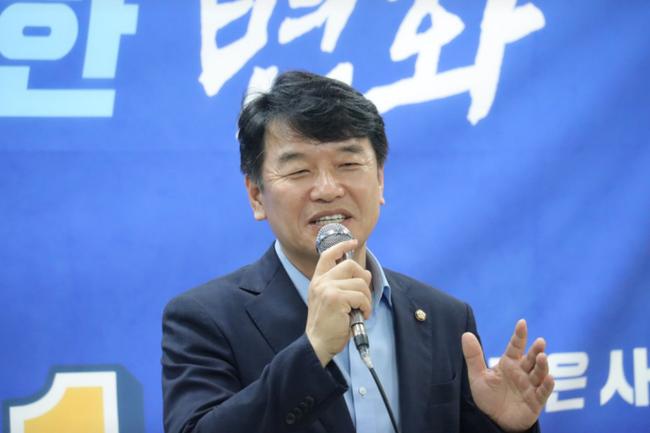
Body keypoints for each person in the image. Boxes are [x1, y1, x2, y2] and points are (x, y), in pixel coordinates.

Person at [161, 71, 555, 433]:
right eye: (299, 171)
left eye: (348, 163)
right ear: (256, 195)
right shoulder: (206, 319)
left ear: (380, 180)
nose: (328, 189)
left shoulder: (444, 317)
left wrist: (507, 428)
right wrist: (313, 350)